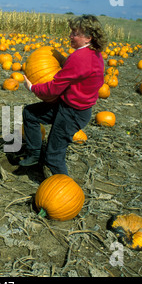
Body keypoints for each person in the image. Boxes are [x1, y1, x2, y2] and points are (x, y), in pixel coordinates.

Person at [20, 14, 107, 178]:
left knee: (54, 156)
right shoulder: (94, 54)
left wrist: (32, 87)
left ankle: (63, 193)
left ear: (88, 37)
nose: (70, 36)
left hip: (73, 113)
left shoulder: (80, 58)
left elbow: (53, 89)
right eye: (72, 32)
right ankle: (34, 154)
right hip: (67, 105)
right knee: (30, 113)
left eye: (75, 33)